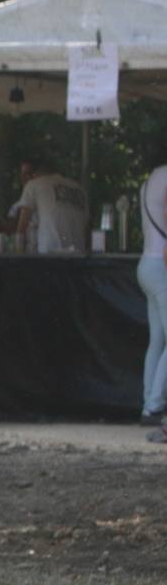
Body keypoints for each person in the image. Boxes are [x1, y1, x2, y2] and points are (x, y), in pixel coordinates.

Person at [138, 146, 167, 432]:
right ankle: (154, 405)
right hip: (162, 265)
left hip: (147, 262)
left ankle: (148, 401)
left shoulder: (147, 183)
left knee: (157, 340)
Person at [12, 154, 88, 254]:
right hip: (78, 255)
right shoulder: (79, 189)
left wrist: (17, 255)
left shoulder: (33, 184)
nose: (25, 179)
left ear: (34, 174)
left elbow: (21, 228)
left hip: (49, 254)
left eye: (28, 174)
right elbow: (87, 228)